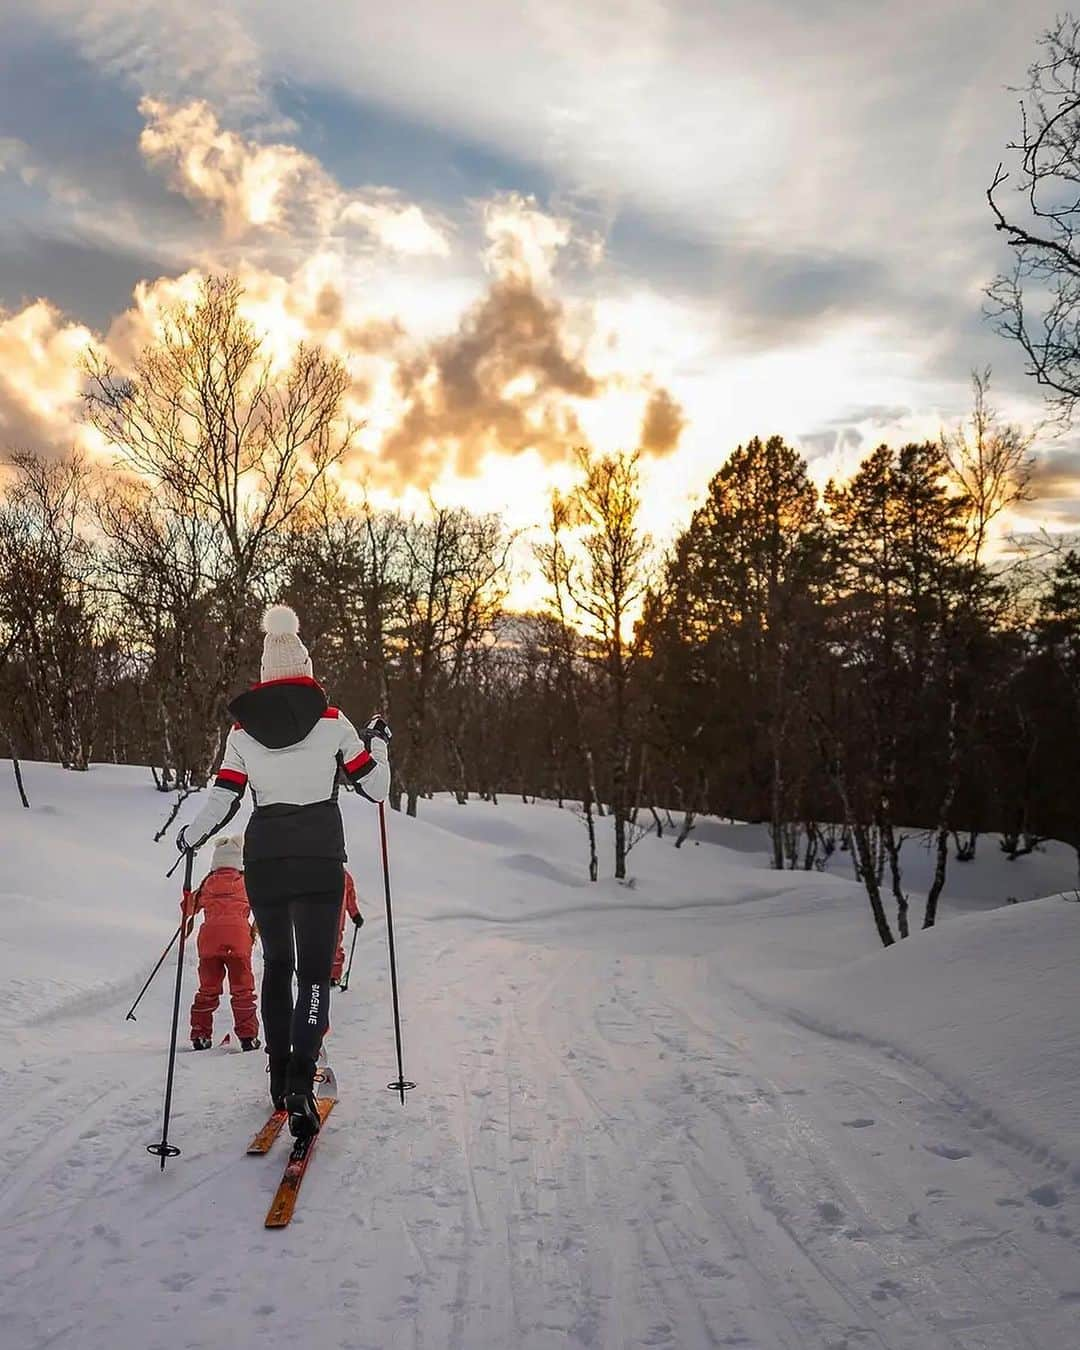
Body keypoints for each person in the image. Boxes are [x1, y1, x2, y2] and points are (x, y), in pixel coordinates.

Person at [177, 603, 389, 1138]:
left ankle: (276, 1081)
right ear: (307, 671)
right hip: (320, 859)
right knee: (315, 976)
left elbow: (224, 797)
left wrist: (190, 836)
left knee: (276, 966)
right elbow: (375, 788)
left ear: (265, 676)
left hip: (265, 860)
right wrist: (379, 743)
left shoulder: (243, 733)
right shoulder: (333, 723)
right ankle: (300, 1082)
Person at [184, 834, 260, 1051]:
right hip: (238, 942)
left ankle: (200, 1034)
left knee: (207, 989)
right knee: (243, 990)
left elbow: (187, 909)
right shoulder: (247, 883)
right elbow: (263, 904)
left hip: (209, 944)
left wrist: (188, 894)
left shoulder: (207, 883)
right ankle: (248, 1037)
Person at [330, 869, 363, 987]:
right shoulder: (317, 871)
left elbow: (350, 897)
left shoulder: (345, 877)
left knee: (335, 948)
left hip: (337, 921)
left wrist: (355, 914)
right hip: (318, 920)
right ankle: (315, 974)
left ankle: (334, 976)